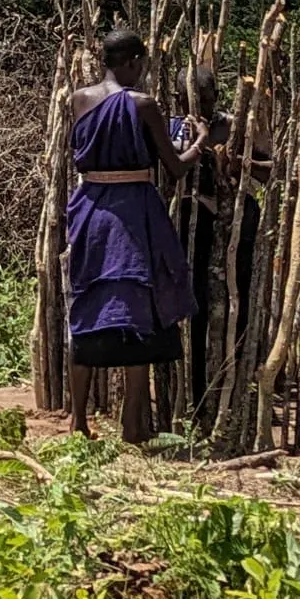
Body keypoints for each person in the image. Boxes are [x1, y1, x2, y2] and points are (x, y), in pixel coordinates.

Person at [60, 29, 197, 382]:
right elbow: (176, 167)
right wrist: (201, 142)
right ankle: (133, 421)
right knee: (137, 308)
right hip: (133, 216)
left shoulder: (78, 100)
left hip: (90, 211)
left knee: (88, 304)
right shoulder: (142, 104)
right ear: (134, 61)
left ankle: (78, 421)